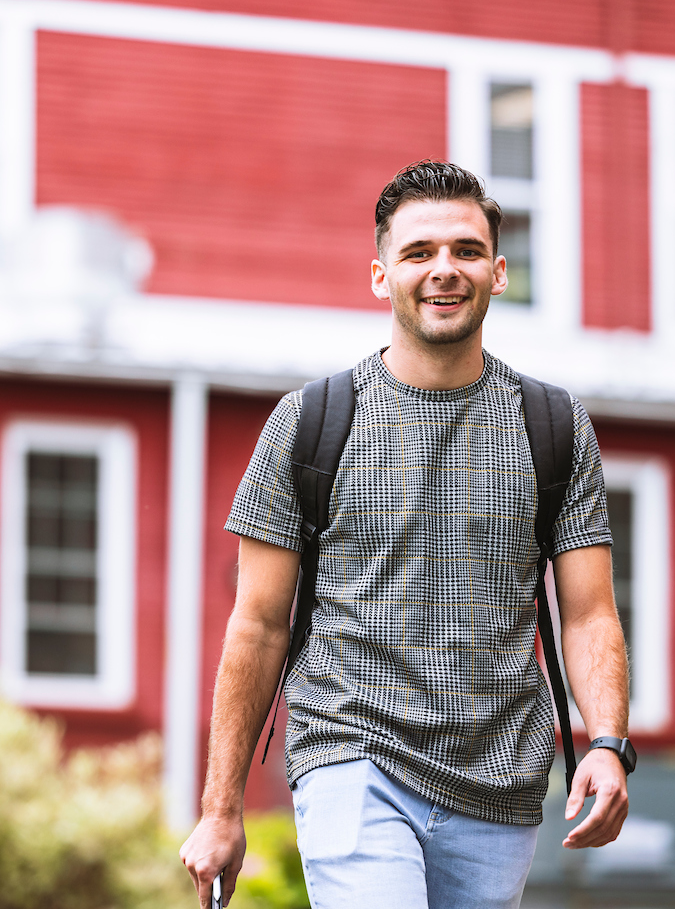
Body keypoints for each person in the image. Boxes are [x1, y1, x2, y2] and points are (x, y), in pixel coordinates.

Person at [180, 161, 631, 909]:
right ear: (381, 276)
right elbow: (258, 625)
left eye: (465, 250)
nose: (443, 270)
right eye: (419, 253)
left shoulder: (552, 427)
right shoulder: (311, 423)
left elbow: (588, 612)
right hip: (351, 753)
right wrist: (221, 806)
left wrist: (608, 742)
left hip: (500, 779)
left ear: (499, 271)